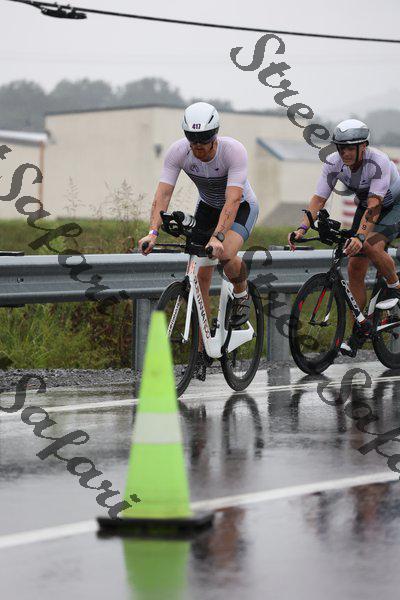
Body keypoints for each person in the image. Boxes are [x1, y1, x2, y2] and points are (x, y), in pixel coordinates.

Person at [138, 102, 259, 373]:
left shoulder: (233, 151)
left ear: (215, 135)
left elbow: (233, 199)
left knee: (226, 254)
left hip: (241, 207)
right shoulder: (178, 152)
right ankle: (203, 350)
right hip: (207, 207)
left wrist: (218, 236)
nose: (198, 146)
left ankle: (242, 294)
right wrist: (153, 232)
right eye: (192, 140)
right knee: (200, 275)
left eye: (203, 140)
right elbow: (163, 194)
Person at [289, 119, 400, 357]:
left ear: (364, 146)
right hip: (368, 204)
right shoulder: (333, 162)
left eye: (351, 148)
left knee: (371, 245)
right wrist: (302, 228)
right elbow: (319, 199)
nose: (345, 153)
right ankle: (359, 329)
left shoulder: (378, 162)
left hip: (392, 205)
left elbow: (375, 205)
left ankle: (395, 288)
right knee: (355, 268)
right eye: (341, 148)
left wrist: (360, 236)